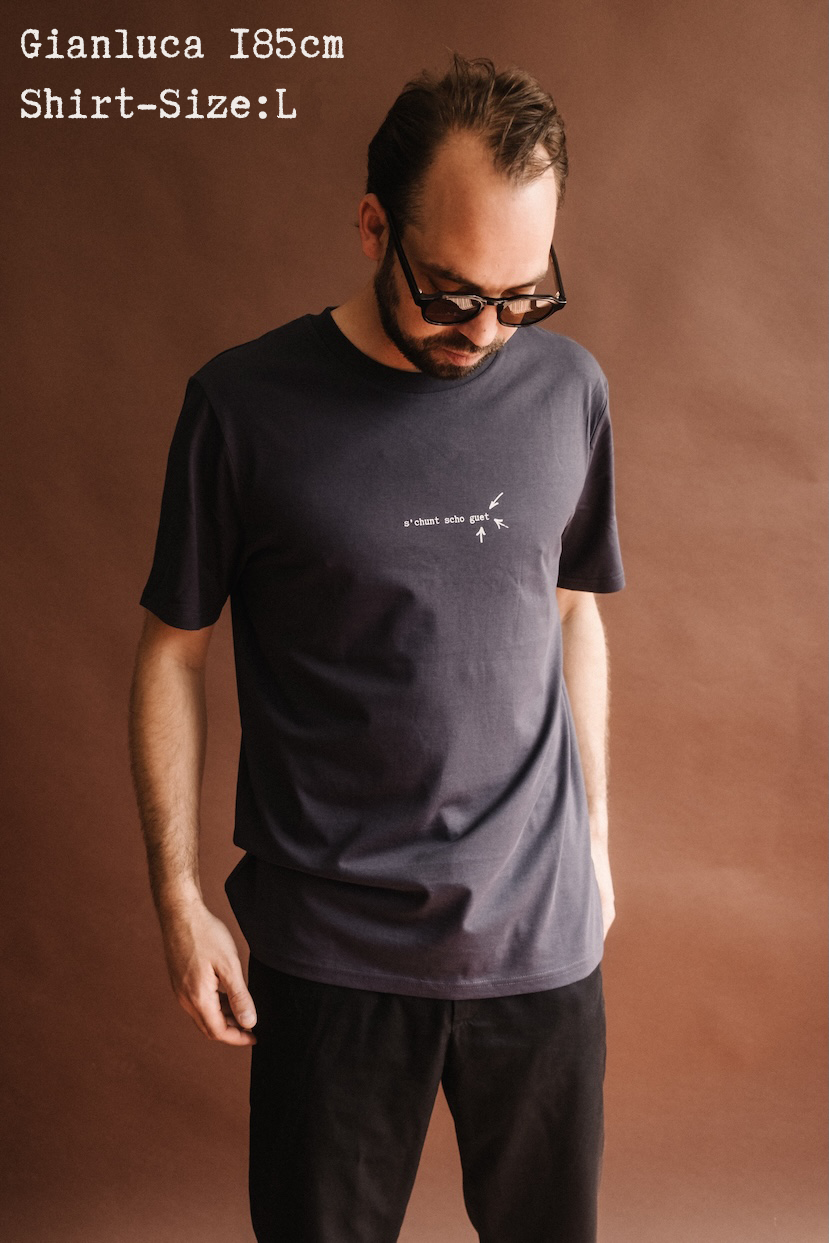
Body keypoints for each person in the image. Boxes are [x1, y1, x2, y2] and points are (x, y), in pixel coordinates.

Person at [129, 53, 625, 1243]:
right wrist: (179, 896)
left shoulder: (569, 392)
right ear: (372, 228)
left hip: (540, 940)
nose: (486, 330)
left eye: (521, 297)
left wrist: (597, 836)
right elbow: (172, 655)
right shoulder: (242, 406)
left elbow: (571, 610)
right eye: (451, 294)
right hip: (332, 953)